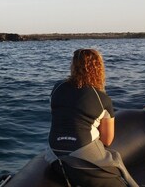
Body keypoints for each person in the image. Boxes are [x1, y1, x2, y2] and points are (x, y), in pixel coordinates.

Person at [44, 49, 139, 187]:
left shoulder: (57, 88)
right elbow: (107, 140)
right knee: (118, 167)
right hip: (83, 159)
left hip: (53, 156)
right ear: (98, 68)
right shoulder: (102, 99)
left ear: (73, 66)